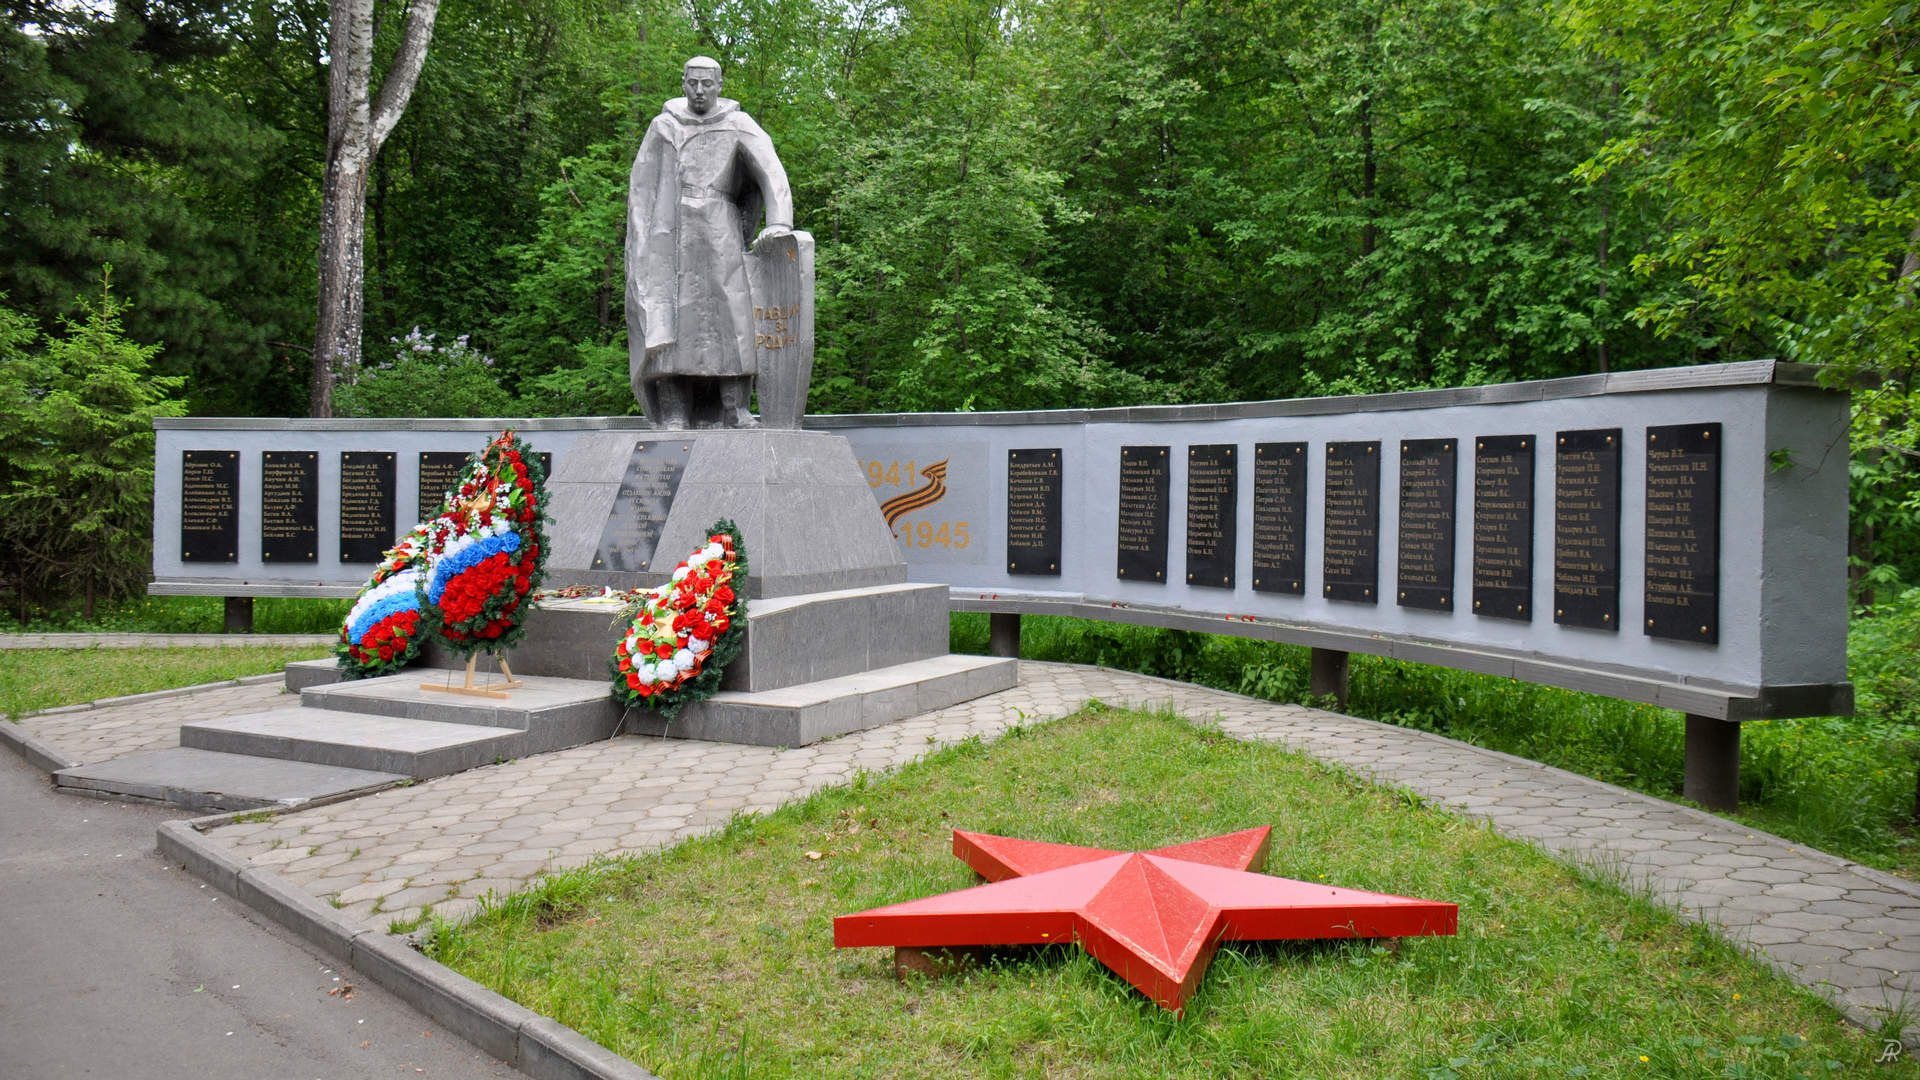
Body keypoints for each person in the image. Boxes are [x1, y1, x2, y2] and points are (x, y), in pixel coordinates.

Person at [625, 56, 793, 429]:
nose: (700, 91)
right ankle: (674, 411)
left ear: (719, 85)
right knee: (668, 321)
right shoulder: (663, 127)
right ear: (683, 83)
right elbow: (641, 190)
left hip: (720, 230)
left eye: (707, 83)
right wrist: (641, 246)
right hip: (667, 234)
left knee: (731, 317)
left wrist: (779, 222)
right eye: (693, 83)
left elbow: (772, 175)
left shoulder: (738, 125)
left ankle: (735, 406)